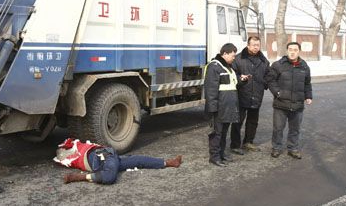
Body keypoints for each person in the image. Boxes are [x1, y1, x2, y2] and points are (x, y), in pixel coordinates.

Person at [54, 138, 182, 184]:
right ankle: (168, 163)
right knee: (136, 161)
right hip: (104, 160)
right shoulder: (70, 158)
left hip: (104, 156)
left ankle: (77, 177)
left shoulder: (76, 148)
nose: (62, 155)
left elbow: (68, 143)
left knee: (109, 176)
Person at [204, 43, 250, 167]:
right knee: (216, 133)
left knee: (223, 133)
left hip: (228, 107)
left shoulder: (228, 68)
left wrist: (242, 80)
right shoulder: (214, 67)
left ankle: (221, 154)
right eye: (233, 55)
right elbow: (210, 90)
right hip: (219, 108)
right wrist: (213, 109)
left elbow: (233, 85)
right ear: (224, 54)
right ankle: (214, 157)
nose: (234, 58)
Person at [266, 42, 312, 159]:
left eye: (295, 50)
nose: (292, 52)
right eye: (290, 49)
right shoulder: (278, 65)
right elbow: (270, 80)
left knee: (295, 129)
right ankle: (276, 148)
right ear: (287, 51)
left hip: (297, 105)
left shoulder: (304, 66)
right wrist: (277, 92)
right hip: (281, 104)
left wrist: (308, 96)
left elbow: (307, 83)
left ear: (299, 51)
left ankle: (293, 148)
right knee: (278, 128)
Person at [230, 36, 270, 154]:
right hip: (241, 94)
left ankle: (248, 142)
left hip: (257, 94)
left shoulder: (264, 61)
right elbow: (231, 75)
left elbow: (269, 75)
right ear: (248, 45)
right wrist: (240, 79)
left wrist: (265, 83)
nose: (256, 47)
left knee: (253, 121)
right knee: (238, 121)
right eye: (254, 45)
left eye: (258, 45)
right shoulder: (238, 59)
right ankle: (235, 145)